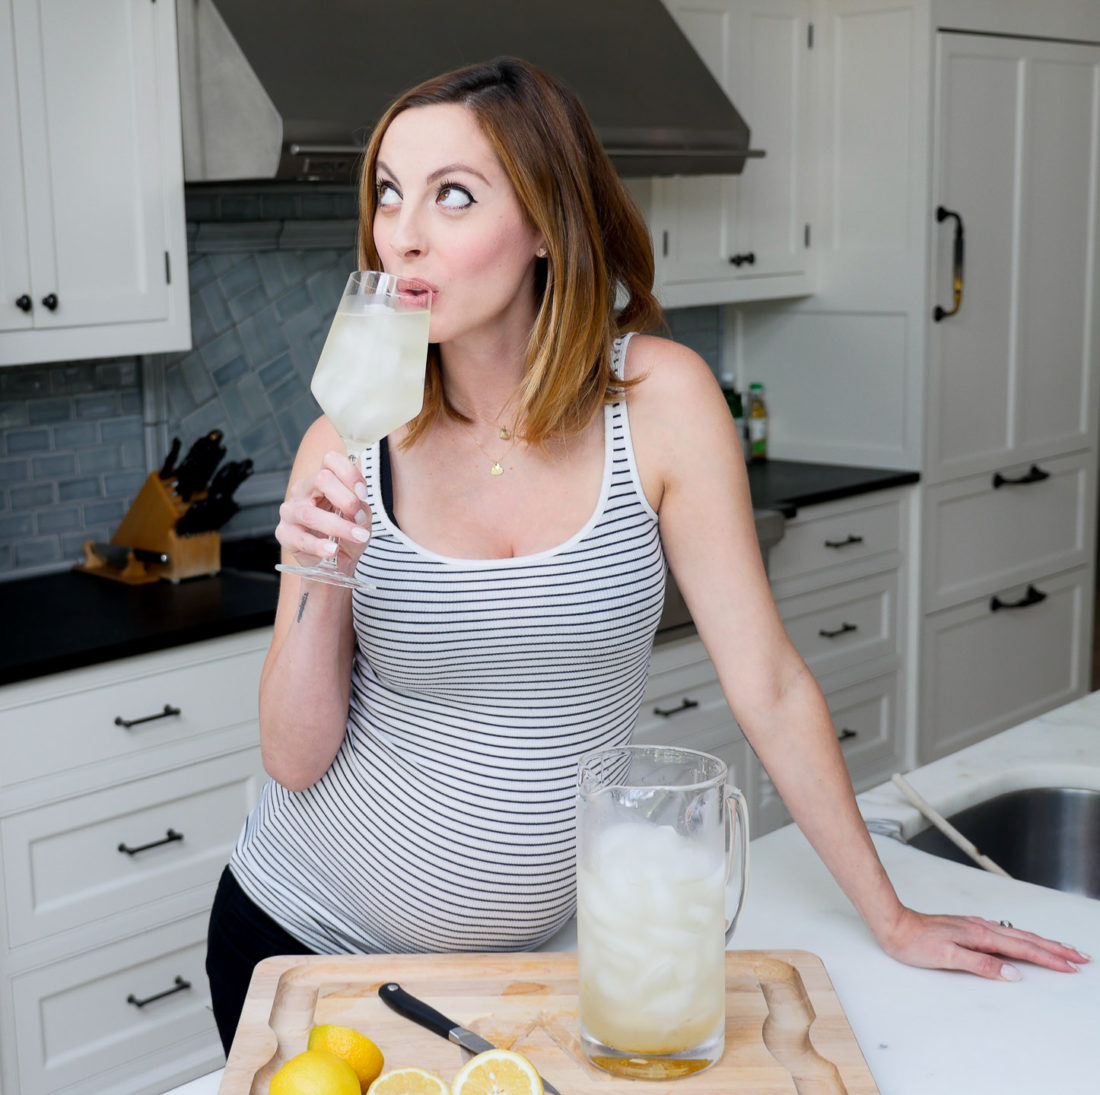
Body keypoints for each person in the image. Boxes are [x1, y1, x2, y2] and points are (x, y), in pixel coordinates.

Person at [205, 55, 1087, 1055]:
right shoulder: (345, 439)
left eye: (452, 196)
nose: (401, 231)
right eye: (388, 193)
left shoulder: (657, 402)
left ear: (542, 224)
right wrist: (316, 567)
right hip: (306, 945)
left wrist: (889, 916)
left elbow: (767, 684)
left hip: (533, 969)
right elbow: (292, 756)